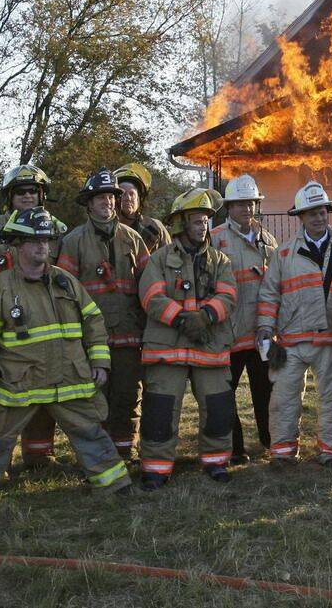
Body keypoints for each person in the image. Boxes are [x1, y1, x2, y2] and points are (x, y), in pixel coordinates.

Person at [0, 207, 130, 525]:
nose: (41, 247)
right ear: (15, 245)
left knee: (90, 433)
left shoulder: (66, 282)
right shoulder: (0, 288)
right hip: (19, 384)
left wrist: (100, 361)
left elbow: (94, 322)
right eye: (32, 241)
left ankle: (117, 489)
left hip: (69, 378)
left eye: (45, 240)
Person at [137, 187, 238, 488]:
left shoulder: (220, 260)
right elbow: (151, 296)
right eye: (197, 221)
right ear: (181, 224)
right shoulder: (159, 259)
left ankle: (216, 462)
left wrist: (206, 316)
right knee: (160, 409)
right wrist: (182, 319)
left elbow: (229, 294)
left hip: (209, 346)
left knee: (218, 406)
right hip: (168, 347)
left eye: (206, 221)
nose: (203, 226)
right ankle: (156, 468)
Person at [0, 164, 67, 469]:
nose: (27, 196)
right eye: (21, 192)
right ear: (9, 197)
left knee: (41, 391)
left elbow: (61, 277)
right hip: (0, 324)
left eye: (33, 191)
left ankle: (39, 457)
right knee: (0, 398)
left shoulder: (54, 228)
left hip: (42, 323)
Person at [256, 181, 332, 465]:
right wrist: (265, 327)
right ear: (300, 217)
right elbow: (269, 294)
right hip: (291, 341)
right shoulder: (283, 254)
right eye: (312, 213)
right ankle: (283, 452)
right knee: (284, 399)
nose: (319, 218)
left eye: (322, 212)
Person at [57, 169, 150, 460]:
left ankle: (125, 455)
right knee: (93, 402)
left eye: (111, 197)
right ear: (89, 203)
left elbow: (149, 286)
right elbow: (64, 294)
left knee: (126, 398)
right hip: (91, 340)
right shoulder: (73, 242)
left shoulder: (133, 239)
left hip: (129, 335)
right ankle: (97, 460)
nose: (108, 202)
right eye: (101, 198)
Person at [210, 174, 278, 464]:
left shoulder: (268, 238)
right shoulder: (215, 239)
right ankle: (235, 450)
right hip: (229, 332)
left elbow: (276, 283)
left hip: (261, 333)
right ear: (229, 207)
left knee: (267, 392)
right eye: (240, 204)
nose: (247, 209)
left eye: (251, 203)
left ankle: (271, 441)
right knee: (226, 394)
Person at [114, 163, 172, 254]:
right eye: (123, 194)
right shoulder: (106, 229)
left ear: (139, 199)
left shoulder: (155, 228)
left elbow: (170, 258)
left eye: (132, 194)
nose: (128, 198)